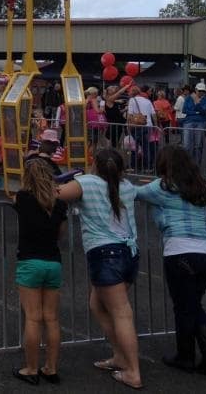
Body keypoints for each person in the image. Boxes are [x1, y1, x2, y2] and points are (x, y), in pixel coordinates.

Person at [57, 148, 142, 390]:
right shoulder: (127, 187)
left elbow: (57, 193)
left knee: (121, 312)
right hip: (128, 252)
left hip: (105, 253)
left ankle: (133, 371)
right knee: (98, 304)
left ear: (95, 164)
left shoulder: (87, 183)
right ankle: (120, 355)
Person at [135, 145, 206, 375]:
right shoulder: (200, 187)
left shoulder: (161, 187)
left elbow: (135, 193)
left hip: (180, 250)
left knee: (184, 306)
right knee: (192, 304)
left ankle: (190, 355)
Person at [12, 157, 68, 386]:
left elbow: (16, 197)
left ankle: (31, 368)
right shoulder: (59, 204)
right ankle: (51, 367)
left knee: (33, 317)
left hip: (30, 261)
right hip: (53, 261)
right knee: (51, 318)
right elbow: (61, 233)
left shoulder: (23, 198)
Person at [127, 85, 156, 172]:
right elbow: (153, 115)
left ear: (132, 92)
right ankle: (148, 167)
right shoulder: (147, 101)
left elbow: (130, 115)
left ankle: (133, 166)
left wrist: (128, 126)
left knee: (134, 147)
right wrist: (155, 126)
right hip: (148, 125)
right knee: (146, 147)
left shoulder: (132, 100)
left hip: (137, 126)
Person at [182, 82, 206, 164]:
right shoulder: (188, 98)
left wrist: (197, 103)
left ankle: (196, 165)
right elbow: (184, 110)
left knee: (198, 146)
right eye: (200, 90)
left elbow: (204, 111)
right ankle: (187, 164)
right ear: (196, 90)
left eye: (203, 91)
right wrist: (196, 112)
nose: (201, 92)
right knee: (187, 145)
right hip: (188, 122)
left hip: (200, 122)